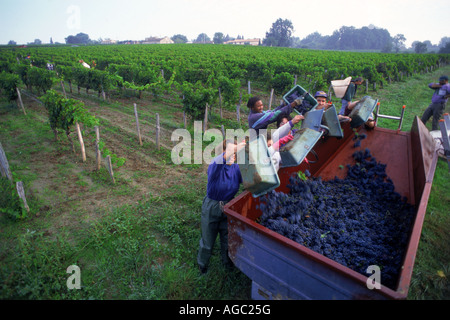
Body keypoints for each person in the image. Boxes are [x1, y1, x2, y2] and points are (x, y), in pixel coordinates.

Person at [197, 139, 245, 274]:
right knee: (208, 238)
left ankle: (227, 263)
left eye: (235, 153)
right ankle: (202, 265)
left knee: (227, 236)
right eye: (231, 152)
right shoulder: (215, 166)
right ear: (223, 152)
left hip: (229, 206)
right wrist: (234, 149)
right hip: (212, 206)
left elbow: (248, 180)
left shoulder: (236, 168)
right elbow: (222, 158)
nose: (233, 155)